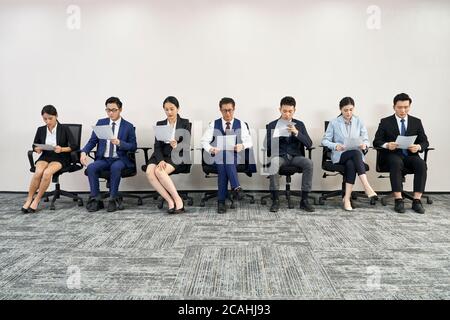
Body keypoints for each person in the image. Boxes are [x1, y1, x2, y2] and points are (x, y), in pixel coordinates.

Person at [373, 93, 429, 214]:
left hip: (410, 156)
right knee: (396, 162)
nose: (403, 110)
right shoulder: (385, 122)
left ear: (409, 106)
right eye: (399, 107)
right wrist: (387, 145)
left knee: (421, 164)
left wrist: (418, 147)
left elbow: (425, 141)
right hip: (392, 156)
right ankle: (398, 199)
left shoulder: (416, 122)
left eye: (406, 107)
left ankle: (417, 200)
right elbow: (377, 141)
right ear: (394, 107)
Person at [80, 97, 137, 212]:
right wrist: (84, 152)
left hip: (119, 159)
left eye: (114, 110)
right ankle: (96, 199)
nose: (111, 113)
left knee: (115, 167)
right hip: (104, 158)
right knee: (91, 167)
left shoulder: (128, 126)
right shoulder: (101, 123)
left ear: (120, 109)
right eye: (108, 110)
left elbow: (133, 146)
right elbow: (92, 141)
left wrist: (120, 143)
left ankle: (113, 198)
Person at [321, 97, 377, 211]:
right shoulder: (334, 122)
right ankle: (366, 186)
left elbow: (366, 140)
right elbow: (324, 141)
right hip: (340, 155)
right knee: (355, 154)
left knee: (351, 163)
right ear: (340, 109)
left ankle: (346, 199)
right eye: (345, 110)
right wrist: (335, 145)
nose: (348, 112)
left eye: (351, 109)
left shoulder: (359, 121)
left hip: (354, 156)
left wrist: (364, 145)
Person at [200, 97, 254, 214]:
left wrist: (242, 146)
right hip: (217, 156)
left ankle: (221, 202)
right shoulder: (214, 124)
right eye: (225, 110)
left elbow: (250, 142)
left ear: (234, 109)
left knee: (224, 161)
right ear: (220, 110)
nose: (228, 113)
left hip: (236, 157)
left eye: (230, 110)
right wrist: (211, 149)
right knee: (223, 157)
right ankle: (237, 187)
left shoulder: (242, 124)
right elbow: (204, 141)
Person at [22, 105, 77, 213]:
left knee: (47, 173)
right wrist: (36, 149)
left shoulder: (64, 129)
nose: (48, 121)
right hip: (45, 155)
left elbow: (74, 146)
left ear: (56, 116)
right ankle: (29, 199)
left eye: (50, 118)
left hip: (60, 156)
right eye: (45, 119)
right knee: (38, 173)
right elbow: (34, 144)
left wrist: (62, 149)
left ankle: (37, 200)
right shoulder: (41, 129)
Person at [265, 96, 315, 212]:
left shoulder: (300, 124)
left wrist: (297, 133)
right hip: (280, 156)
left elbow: (309, 143)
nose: (287, 114)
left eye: (290, 111)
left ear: (294, 110)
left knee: (309, 163)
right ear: (280, 110)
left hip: (296, 157)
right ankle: (275, 200)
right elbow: (267, 147)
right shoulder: (273, 125)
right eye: (284, 111)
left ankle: (304, 200)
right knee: (274, 163)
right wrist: (276, 135)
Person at [145, 96, 191, 214]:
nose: (169, 112)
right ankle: (170, 200)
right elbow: (157, 145)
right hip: (160, 155)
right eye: (166, 109)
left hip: (177, 155)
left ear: (178, 108)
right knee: (150, 172)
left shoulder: (185, 123)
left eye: (172, 109)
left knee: (159, 171)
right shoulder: (160, 124)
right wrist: (160, 160)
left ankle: (178, 200)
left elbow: (186, 144)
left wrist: (177, 145)